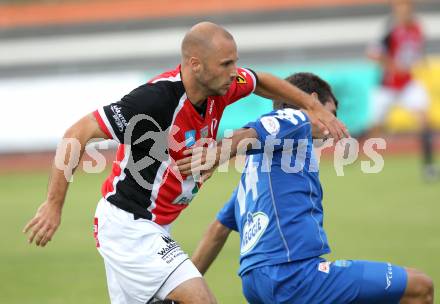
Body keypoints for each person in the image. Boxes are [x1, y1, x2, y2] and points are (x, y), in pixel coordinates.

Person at [22, 22, 348, 304]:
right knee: (200, 298)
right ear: (195, 65)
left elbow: (260, 80)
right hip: (129, 225)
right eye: (225, 64)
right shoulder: (154, 101)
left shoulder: (223, 86)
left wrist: (311, 105)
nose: (234, 72)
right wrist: (53, 204)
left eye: (234, 62)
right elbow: (76, 134)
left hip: (153, 225)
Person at [186, 72, 434, 303]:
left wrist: (185, 284)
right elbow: (253, 132)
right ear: (314, 100)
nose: (336, 122)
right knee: (419, 287)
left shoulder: (259, 169)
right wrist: (216, 155)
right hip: (293, 274)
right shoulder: (296, 118)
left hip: (256, 283)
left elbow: (218, 230)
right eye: (333, 112)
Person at [366, 0, 437, 180]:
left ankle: (428, 166)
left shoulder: (417, 29)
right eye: (399, 7)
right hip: (387, 86)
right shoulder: (389, 30)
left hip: (407, 84)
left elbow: (416, 52)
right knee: (375, 127)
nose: (403, 11)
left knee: (424, 119)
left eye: (405, 7)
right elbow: (372, 53)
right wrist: (391, 65)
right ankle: (365, 163)